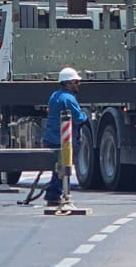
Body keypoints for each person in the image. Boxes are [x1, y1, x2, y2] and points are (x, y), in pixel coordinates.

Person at [43, 66, 87, 202]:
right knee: (62, 167)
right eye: (76, 82)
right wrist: (87, 116)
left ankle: (54, 194)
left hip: (51, 137)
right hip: (61, 139)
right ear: (68, 83)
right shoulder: (68, 99)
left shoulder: (55, 95)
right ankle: (54, 195)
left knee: (58, 167)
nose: (78, 85)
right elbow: (79, 118)